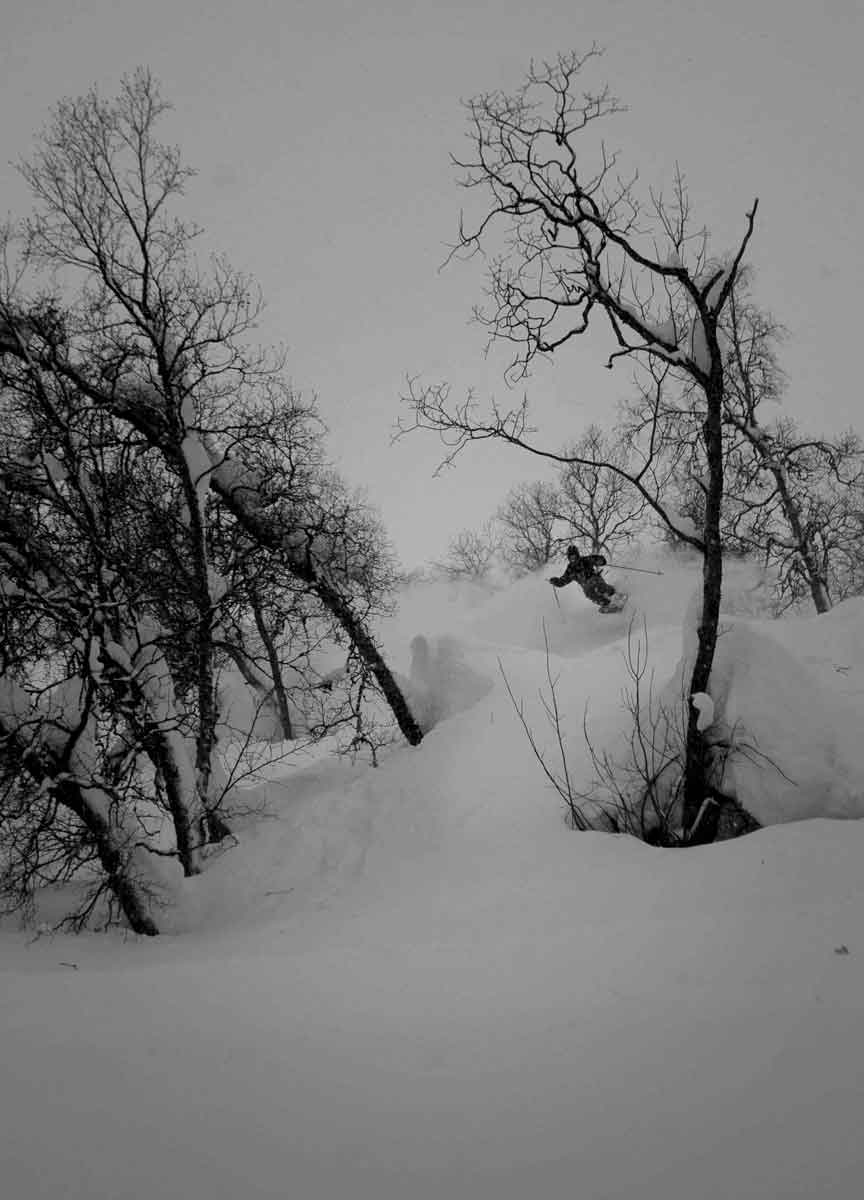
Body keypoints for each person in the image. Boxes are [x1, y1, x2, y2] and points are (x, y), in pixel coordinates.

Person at [549, 545, 623, 612]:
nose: (573, 559)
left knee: (597, 585)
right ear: (568, 557)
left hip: (594, 578)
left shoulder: (585, 560)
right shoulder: (570, 569)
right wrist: (556, 581)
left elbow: (595, 559)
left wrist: (600, 560)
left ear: (577, 555)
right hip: (585, 585)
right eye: (571, 557)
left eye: (574, 556)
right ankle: (607, 603)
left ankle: (613, 593)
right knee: (588, 593)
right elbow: (563, 581)